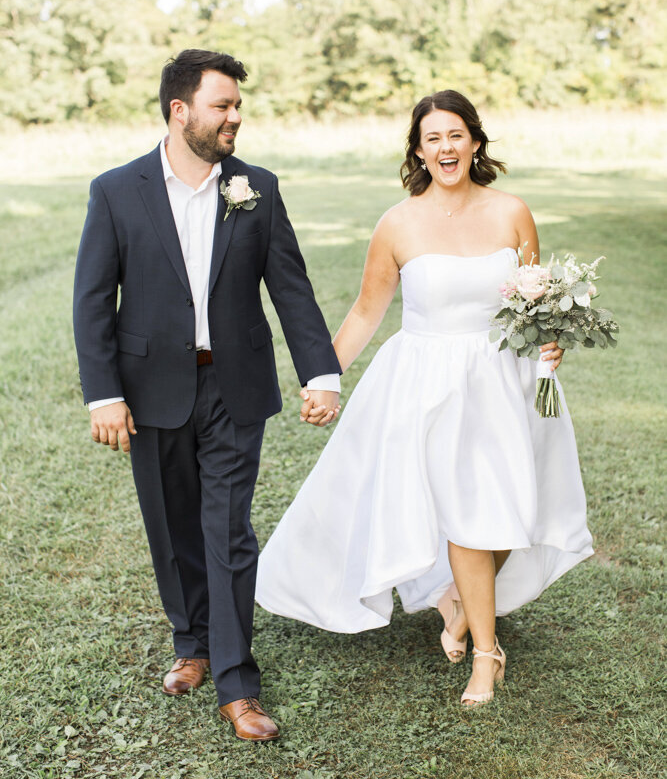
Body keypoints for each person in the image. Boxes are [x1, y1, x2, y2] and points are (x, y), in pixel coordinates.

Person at [258, 89, 593, 708]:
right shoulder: (398, 223)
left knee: (508, 514)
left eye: (456, 135)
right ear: (418, 148)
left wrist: (555, 343)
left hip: (505, 379)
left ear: (474, 141)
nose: (446, 147)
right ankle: (486, 657)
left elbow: (536, 304)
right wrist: (323, 379)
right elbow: (365, 312)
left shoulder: (512, 212)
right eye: (432, 137)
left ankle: (457, 603)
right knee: (470, 514)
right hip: (427, 385)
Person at [73, 49, 341, 741]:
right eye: (222, 105)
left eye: (236, 106)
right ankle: (190, 643)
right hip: (150, 384)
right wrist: (103, 394)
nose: (235, 118)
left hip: (234, 382)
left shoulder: (257, 187)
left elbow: (290, 287)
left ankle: (236, 682)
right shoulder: (116, 190)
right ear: (179, 110)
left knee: (227, 529)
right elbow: (93, 301)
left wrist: (321, 373)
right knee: (171, 525)